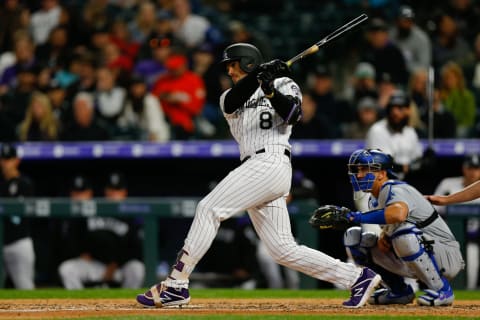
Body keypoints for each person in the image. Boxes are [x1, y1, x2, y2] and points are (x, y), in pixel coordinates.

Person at [136, 42, 381, 309]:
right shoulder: (228, 96)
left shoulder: (284, 83)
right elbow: (233, 101)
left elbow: (293, 115)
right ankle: (357, 277)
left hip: (271, 160)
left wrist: (270, 87)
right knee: (283, 249)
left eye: (233, 63)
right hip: (256, 166)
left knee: (208, 208)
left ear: (248, 61)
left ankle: (176, 284)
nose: (229, 70)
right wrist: (259, 76)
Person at [343, 149, 464, 306]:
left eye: (365, 169)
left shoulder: (394, 188)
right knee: (355, 238)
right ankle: (399, 291)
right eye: (358, 170)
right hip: (418, 252)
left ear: (381, 173)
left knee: (403, 235)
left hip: (445, 255)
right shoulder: (373, 199)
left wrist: (356, 216)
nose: (359, 175)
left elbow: (398, 214)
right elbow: (395, 223)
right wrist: (384, 236)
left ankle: (443, 290)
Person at [58, 172, 145, 289]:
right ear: (105, 191)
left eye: (117, 190)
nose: (114, 194)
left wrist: (115, 264)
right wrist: (81, 253)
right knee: (67, 269)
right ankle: (79, 304)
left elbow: (135, 248)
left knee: (137, 269)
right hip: (94, 264)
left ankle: (127, 303)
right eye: (111, 190)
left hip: (119, 267)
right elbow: (76, 238)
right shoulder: (93, 210)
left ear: (125, 192)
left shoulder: (131, 216)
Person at [429, 154, 480, 289]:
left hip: (473, 240)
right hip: (445, 239)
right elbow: (433, 212)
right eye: (470, 168)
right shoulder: (448, 184)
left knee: (471, 274)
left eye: (476, 168)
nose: (473, 172)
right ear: (464, 169)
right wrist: (446, 200)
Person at [0, 143, 35, 289]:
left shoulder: (25, 184)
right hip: (1, 243)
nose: (6, 163)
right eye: (4, 159)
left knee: (25, 287)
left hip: (19, 242)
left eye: (9, 159)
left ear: (17, 160)